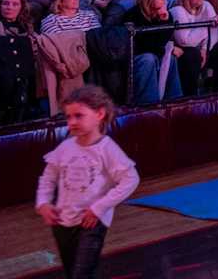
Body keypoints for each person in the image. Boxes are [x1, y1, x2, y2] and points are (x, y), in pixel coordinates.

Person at [36, 85, 140, 279]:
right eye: (68, 117)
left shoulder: (107, 149)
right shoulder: (65, 148)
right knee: (72, 273)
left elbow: (130, 179)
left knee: (82, 274)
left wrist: (99, 208)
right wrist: (43, 202)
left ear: (99, 114)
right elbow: (48, 177)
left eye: (79, 116)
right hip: (62, 221)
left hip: (91, 222)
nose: (72, 122)